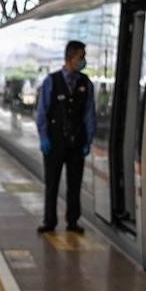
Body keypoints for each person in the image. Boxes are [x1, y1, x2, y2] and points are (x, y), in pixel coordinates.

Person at [35, 39, 96, 234]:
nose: (83, 61)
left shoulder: (86, 84)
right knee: (52, 183)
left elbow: (89, 113)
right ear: (70, 58)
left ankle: (72, 220)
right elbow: (42, 112)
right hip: (54, 143)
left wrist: (88, 140)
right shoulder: (51, 81)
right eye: (81, 57)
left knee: (75, 183)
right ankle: (49, 221)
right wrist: (44, 137)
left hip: (76, 143)